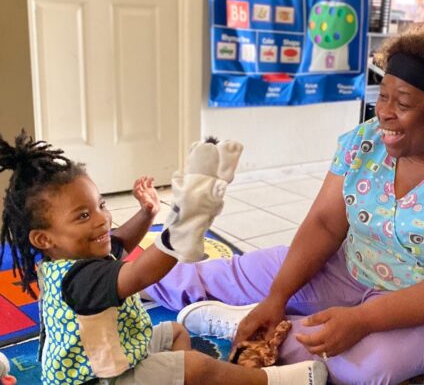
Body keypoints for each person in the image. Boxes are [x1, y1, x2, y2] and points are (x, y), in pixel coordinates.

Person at [145, 24, 424, 384]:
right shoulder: (366, 142)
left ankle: (257, 326)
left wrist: (362, 320)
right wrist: (277, 296)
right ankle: (123, 280)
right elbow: (326, 224)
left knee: (370, 366)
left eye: (404, 103)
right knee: (221, 277)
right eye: (383, 96)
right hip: (347, 269)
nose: (385, 112)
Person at [0, 132, 327, 385]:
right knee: (198, 366)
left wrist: (147, 213)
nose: (101, 218)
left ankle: (181, 378)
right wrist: (182, 224)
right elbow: (143, 273)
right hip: (99, 377)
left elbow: (121, 241)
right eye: (83, 215)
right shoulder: (80, 280)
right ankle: (277, 379)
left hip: (112, 349)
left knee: (174, 332)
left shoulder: (75, 252)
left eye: (101, 205)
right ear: (45, 239)